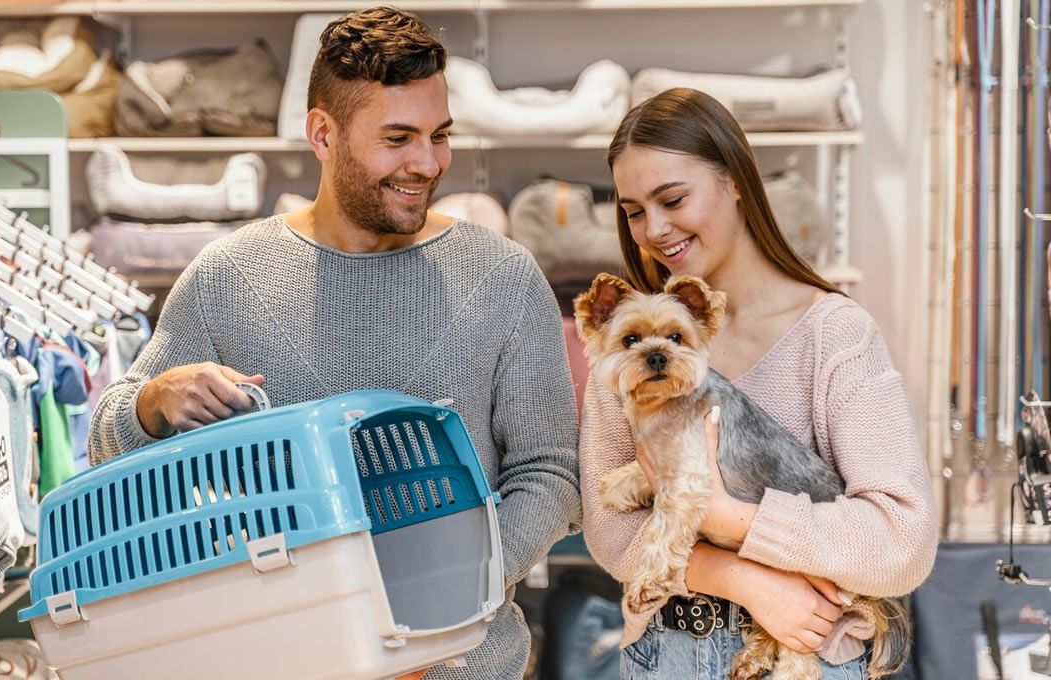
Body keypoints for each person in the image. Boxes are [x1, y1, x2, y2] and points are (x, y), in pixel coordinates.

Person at [88, 7, 581, 679]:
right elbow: (106, 445)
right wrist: (152, 401)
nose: (428, 162)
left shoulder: (503, 277)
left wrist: (451, 583)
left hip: (462, 664)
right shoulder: (227, 276)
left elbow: (550, 473)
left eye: (440, 136)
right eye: (398, 138)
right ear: (323, 133)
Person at [579, 88, 937, 679]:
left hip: (808, 655)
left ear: (737, 180)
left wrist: (730, 520)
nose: (655, 229)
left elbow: (901, 541)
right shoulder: (627, 351)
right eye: (635, 210)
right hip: (663, 655)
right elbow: (609, 528)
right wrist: (745, 581)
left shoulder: (836, 337)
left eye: (672, 199)